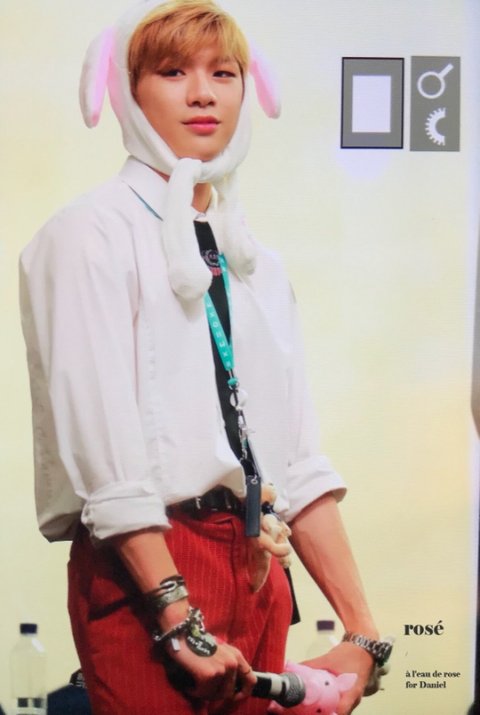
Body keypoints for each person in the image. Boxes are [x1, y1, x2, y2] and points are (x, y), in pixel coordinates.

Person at [19, 2, 391, 714]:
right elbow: (105, 455)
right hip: (148, 564)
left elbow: (297, 462)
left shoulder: (254, 262)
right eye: (171, 71)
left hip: (259, 556)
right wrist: (175, 613)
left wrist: (362, 633)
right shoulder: (86, 236)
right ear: (125, 89)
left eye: (223, 73)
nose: (202, 94)